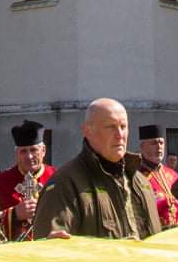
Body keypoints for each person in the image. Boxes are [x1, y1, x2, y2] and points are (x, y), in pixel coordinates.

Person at [31, 99, 161, 240]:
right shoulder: (65, 184)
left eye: (123, 126)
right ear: (87, 131)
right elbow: (50, 252)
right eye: (110, 127)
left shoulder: (141, 181)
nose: (119, 135)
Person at [0, 120, 54, 240]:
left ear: (43, 150)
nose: (29, 156)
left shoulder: (57, 178)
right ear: (16, 154)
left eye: (33, 150)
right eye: (23, 151)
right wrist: (14, 214)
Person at [136, 124, 178, 229]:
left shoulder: (173, 175)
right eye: (154, 143)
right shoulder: (136, 176)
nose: (159, 146)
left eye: (161, 143)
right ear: (142, 147)